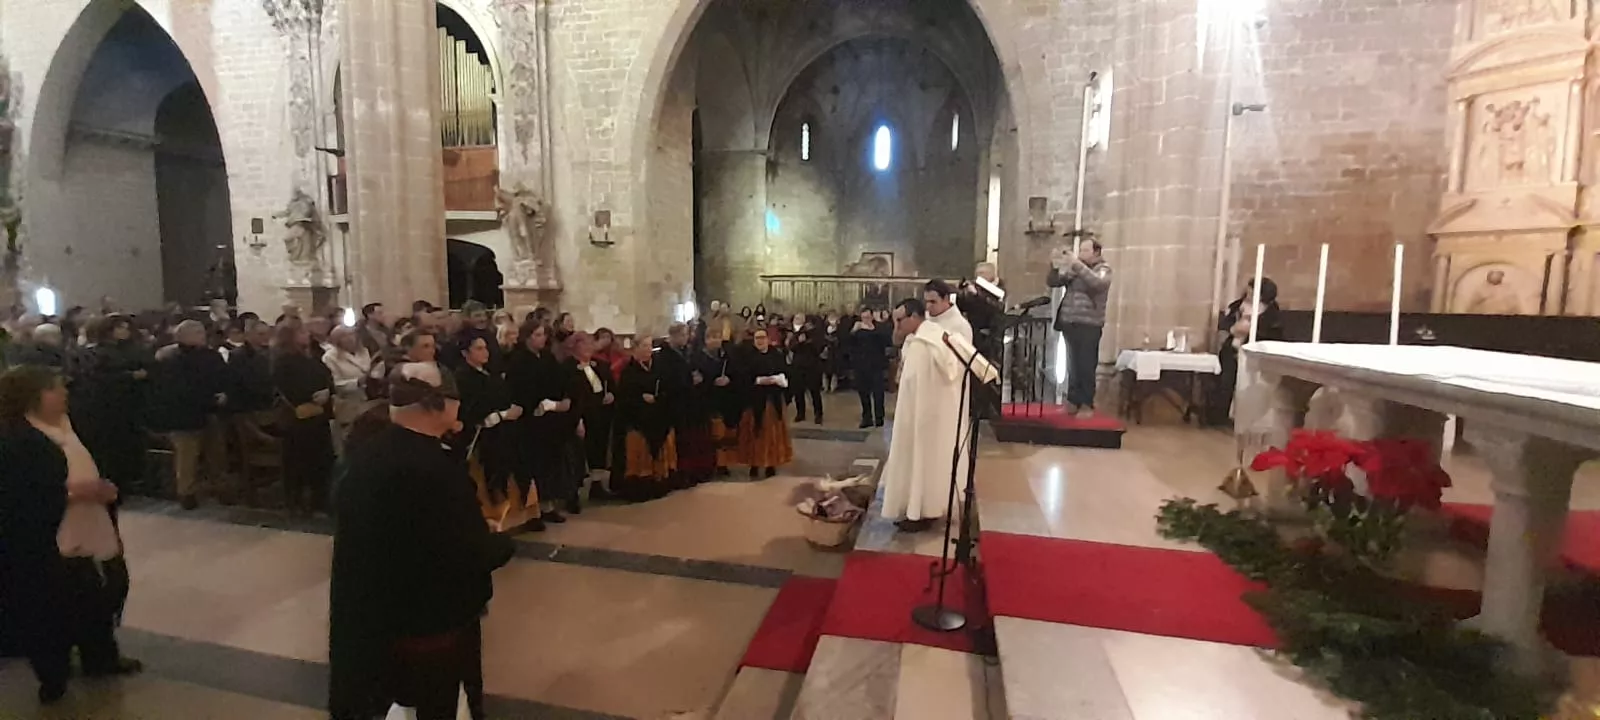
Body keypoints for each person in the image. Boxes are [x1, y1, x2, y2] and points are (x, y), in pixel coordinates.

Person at [328, 365, 515, 720]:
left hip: (377, 616)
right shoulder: (436, 470)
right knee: (439, 705)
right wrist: (498, 542)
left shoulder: (367, 453)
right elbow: (465, 554)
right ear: (438, 403)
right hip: (430, 622)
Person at [0, 366, 142, 705]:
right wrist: (76, 493)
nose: (63, 394)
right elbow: (19, 494)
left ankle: (100, 655)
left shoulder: (66, 424)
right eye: (54, 389)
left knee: (101, 590)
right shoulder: (17, 437)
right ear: (31, 396)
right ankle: (54, 674)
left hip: (89, 522)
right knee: (60, 603)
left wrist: (102, 488)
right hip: (49, 535)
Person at [878, 298, 967, 532]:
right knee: (912, 459)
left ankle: (925, 511)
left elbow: (947, 373)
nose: (896, 325)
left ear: (915, 317)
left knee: (924, 462)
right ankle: (913, 508)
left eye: (900, 319)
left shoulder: (932, 340)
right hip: (913, 412)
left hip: (927, 415)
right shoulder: (916, 339)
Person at [147, 320, 230, 510]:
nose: (203, 335)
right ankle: (186, 492)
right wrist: (209, 398)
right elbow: (175, 388)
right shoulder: (169, 358)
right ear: (183, 336)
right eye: (198, 332)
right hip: (183, 415)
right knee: (187, 457)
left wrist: (223, 393)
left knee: (217, 453)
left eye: (202, 331)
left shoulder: (211, 355)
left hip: (210, 412)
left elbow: (223, 377)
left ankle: (220, 486)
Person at [70, 315, 151, 497]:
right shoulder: (94, 353)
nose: (124, 331)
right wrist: (130, 376)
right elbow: (98, 378)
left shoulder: (133, 350)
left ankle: (126, 481)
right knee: (108, 450)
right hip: (105, 409)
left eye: (125, 327)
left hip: (128, 407)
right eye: (119, 327)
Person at [454, 336, 529, 529]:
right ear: (465, 353)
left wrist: (512, 408)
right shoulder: (463, 377)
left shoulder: (489, 374)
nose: (485, 352)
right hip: (483, 439)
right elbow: (472, 412)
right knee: (490, 480)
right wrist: (503, 414)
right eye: (478, 348)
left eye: (485, 348)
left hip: (504, 434)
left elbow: (502, 397)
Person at [505, 321, 577, 521]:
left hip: (550, 419)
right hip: (530, 421)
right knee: (535, 465)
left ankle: (549, 504)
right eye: (537, 334)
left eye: (543, 334)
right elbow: (518, 390)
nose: (542, 338)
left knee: (551, 464)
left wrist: (563, 399)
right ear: (527, 337)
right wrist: (537, 404)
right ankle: (535, 509)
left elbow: (561, 380)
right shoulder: (518, 360)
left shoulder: (547, 357)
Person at [1047, 237, 1113, 418]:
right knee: (1072, 364)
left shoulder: (1104, 269)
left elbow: (1097, 283)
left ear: (1096, 252)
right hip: (1070, 322)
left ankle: (1086, 403)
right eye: (1080, 250)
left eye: (1085, 251)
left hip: (1089, 324)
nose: (1081, 254)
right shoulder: (1075, 270)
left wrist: (1076, 264)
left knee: (1086, 364)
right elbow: (1054, 282)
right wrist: (1054, 265)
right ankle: (1073, 400)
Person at [273, 323, 336, 514]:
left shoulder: (312, 358)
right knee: (298, 462)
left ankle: (320, 498)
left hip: (318, 416)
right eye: (301, 332)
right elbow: (285, 386)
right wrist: (311, 395)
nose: (306, 335)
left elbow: (327, 377)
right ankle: (297, 499)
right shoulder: (283, 361)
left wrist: (327, 391)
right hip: (297, 421)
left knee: (322, 460)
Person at [1207, 277, 1283, 427]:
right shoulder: (1237, 306)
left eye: (1253, 291)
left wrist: (1251, 328)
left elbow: (1274, 331)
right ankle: (1219, 416)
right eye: (1248, 289)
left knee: (1250, 384)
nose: (1249, 293)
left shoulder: (1272, 311)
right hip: (1232, 349)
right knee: (1226, 382)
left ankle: (1246, 417)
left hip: (1255, 352)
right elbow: (1225, 324)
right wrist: (1232, 329)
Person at [610, 333, 676, 500]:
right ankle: (639, 484)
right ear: (635, 349)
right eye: (644, 346)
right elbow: (624, 398)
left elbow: (668, 389)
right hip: (636, 419)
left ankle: (659, 480)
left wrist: (658, 398)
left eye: (650, 346)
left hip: (657, 415)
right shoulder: (629, 371)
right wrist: (641, 398)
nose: (648, 350)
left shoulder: (659, 368)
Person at [658, 323, 714, 486]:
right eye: (683, 335)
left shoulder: (686, 352)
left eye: (687, 334)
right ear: (674, 336)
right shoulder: (665, 356)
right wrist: (691, 380)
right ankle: (681, 473)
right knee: (681, 441)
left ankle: (693, 471)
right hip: (676, 403)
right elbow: (669, 379)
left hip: (691, 403)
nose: (686, 338)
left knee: (691, 440)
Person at [562, 332, 615, 499]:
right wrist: (576, 419)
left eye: (590, 344)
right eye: (584, 345)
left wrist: (611, 394)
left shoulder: (600, 365)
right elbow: (569, 393)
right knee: (579, 453)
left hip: (600, 413)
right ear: (575, 347)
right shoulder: (568, 368)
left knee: (598, 448)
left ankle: (597, 485)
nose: (588, 348)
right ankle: (573, 493)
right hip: (580, 415)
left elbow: (610, 385)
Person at [737, 327, 794, 478]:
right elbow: (742, 376)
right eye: (757, 338)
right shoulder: (748, 356)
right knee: (754, 433)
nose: (760, 341)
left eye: (763, 338)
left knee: (772, 434)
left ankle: (771, 464)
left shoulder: (776, 355)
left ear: (768, 339)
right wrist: (759, 380)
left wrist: (778, 379)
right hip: (755, 401)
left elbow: (786, 372)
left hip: (772, 400)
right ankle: (754, 464)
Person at [693, 331, 741, 476]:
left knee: (725, 434)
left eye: (717, 337)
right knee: (713, 433)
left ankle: (724, 463)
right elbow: (697, 379)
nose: (715, 340)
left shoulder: (727, 356)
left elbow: (736, 373)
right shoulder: (698, 358)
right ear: (706, 340)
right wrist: (709, 381)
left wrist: (729, 379)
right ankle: (710, 463)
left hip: (725, 399)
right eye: (712, 337)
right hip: (708, 399)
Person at [324, 325, 375, 445]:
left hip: (369, 400)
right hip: (348, 404)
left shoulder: (364, 351)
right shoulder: (330, 357)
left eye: (352, 334)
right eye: (345, 336)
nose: (350, 338)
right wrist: (357, 382)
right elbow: (334, 384)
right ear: (337, 340)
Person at [847, 307, 891, 428]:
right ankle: (867, 418)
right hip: (861, 366)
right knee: (863, 393)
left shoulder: (879, 329)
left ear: (872, 317)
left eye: (867, 317)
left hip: (876, 366)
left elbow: (887, 340)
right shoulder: (857, 331)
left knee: (878, 394)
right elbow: (848, 344)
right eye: (863, 318)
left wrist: (877, 325)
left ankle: (879, 417)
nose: (865, 320)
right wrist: (853, 331)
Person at [786, 313, 825, 424]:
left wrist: (808, 342)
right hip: (798, 365)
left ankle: (818, 414)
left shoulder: (815, 333)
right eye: (796, 319)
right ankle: (800, 413)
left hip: (812, 365)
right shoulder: (796, 334)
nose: (798, 321)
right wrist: (799, 342)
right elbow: (792, 347)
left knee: (814, 391)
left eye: (800, 319)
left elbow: (818, 348)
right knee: (798, 391)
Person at [924, 279, 973, 344]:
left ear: (946, 298)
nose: (928, 306)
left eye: (933, 302)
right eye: (926, 301)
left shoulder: (961, 326)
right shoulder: (923, 319)